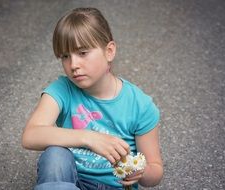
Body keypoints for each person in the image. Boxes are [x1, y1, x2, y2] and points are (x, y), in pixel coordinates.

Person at [22, 7, 163, 190]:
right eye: (65, 56)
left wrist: (142, 172)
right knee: (55, 154)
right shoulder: (62, 89)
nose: (73, 65)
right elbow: (30, 136)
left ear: (109, 51)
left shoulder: (139, 105)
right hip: (69, 181)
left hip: (113, 186)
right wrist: (89, 138)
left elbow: (155, 172)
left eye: (82, 53)